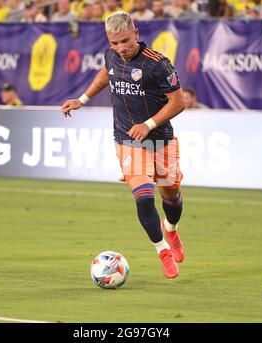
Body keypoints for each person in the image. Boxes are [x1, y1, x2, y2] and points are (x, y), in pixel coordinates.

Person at [61, 11, 185, 279]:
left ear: (136, 34)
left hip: (160, 138)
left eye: (125, 41)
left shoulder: (158, 64)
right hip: (127, 139)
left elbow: (179, 102)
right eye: (114, 43)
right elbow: (105, 75)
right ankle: (162, 250)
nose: (120, 48)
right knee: (142, 196)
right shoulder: (111, 56)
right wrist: (82, 99)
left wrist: (148, 124)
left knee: (171, 194)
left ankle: (171, 229)